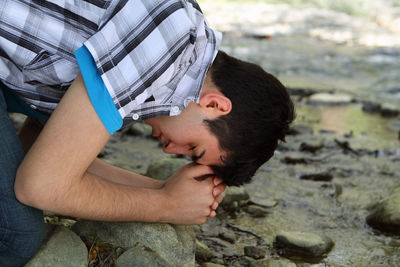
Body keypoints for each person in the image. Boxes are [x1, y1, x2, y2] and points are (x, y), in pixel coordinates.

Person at [0, 0, 294, 265]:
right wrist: (165, 206)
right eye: (193, 148)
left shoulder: (165, 76)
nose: (170, 151)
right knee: (15, 234)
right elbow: (38, 186)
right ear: (215, 105)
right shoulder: (165, 45)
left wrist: (160, 189)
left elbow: (34, 147)